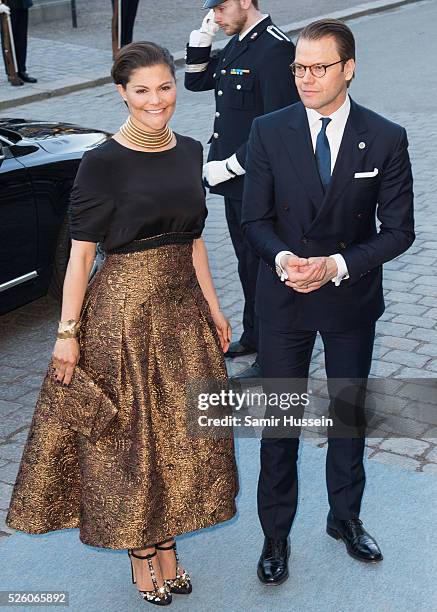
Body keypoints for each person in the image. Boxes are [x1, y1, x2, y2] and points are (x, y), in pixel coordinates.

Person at [6, 41, 239, 605]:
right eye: (142, 90)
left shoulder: (189, 150)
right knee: (133, 441)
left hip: (181, 313)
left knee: (183, 437)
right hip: (123, 317)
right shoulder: (102, 161)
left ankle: (168, 547)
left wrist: (213, 307)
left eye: (165, 87)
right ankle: (143, 554)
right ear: (122, 93)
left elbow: (195, 239)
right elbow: (81, 257)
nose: (156, 99)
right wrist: (67, 334)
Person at [241, 19, 415, 584]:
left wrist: (338, 265)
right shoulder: (269, 130)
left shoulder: (385, 136)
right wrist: (285, 260)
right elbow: (254, 219)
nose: (305, 78)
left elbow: (399, 230)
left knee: (347, 417)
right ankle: (275, 535)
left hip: (348, 298)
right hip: (285, 295)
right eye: (298, 68)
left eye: (319, 67)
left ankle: (346, 519)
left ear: (349, 68)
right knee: (279, 424)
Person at [185, 0, 299, 378]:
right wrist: (201, 40)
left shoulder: (274, 49)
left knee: (265, 270)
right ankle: (253, 336)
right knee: (246, 264)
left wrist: (232, 165)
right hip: (235, 184)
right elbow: (197, 80)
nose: (215, 16)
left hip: (259, 182)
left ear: (246, 1)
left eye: (220, 8)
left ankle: (272, 359)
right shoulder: (240, 42)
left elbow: (281, 125)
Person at [0, 0, 37, 85]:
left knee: (21, 39)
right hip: (7, 4)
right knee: (8, 39)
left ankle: (21, 70)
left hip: (22, 3)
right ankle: (11, 72)